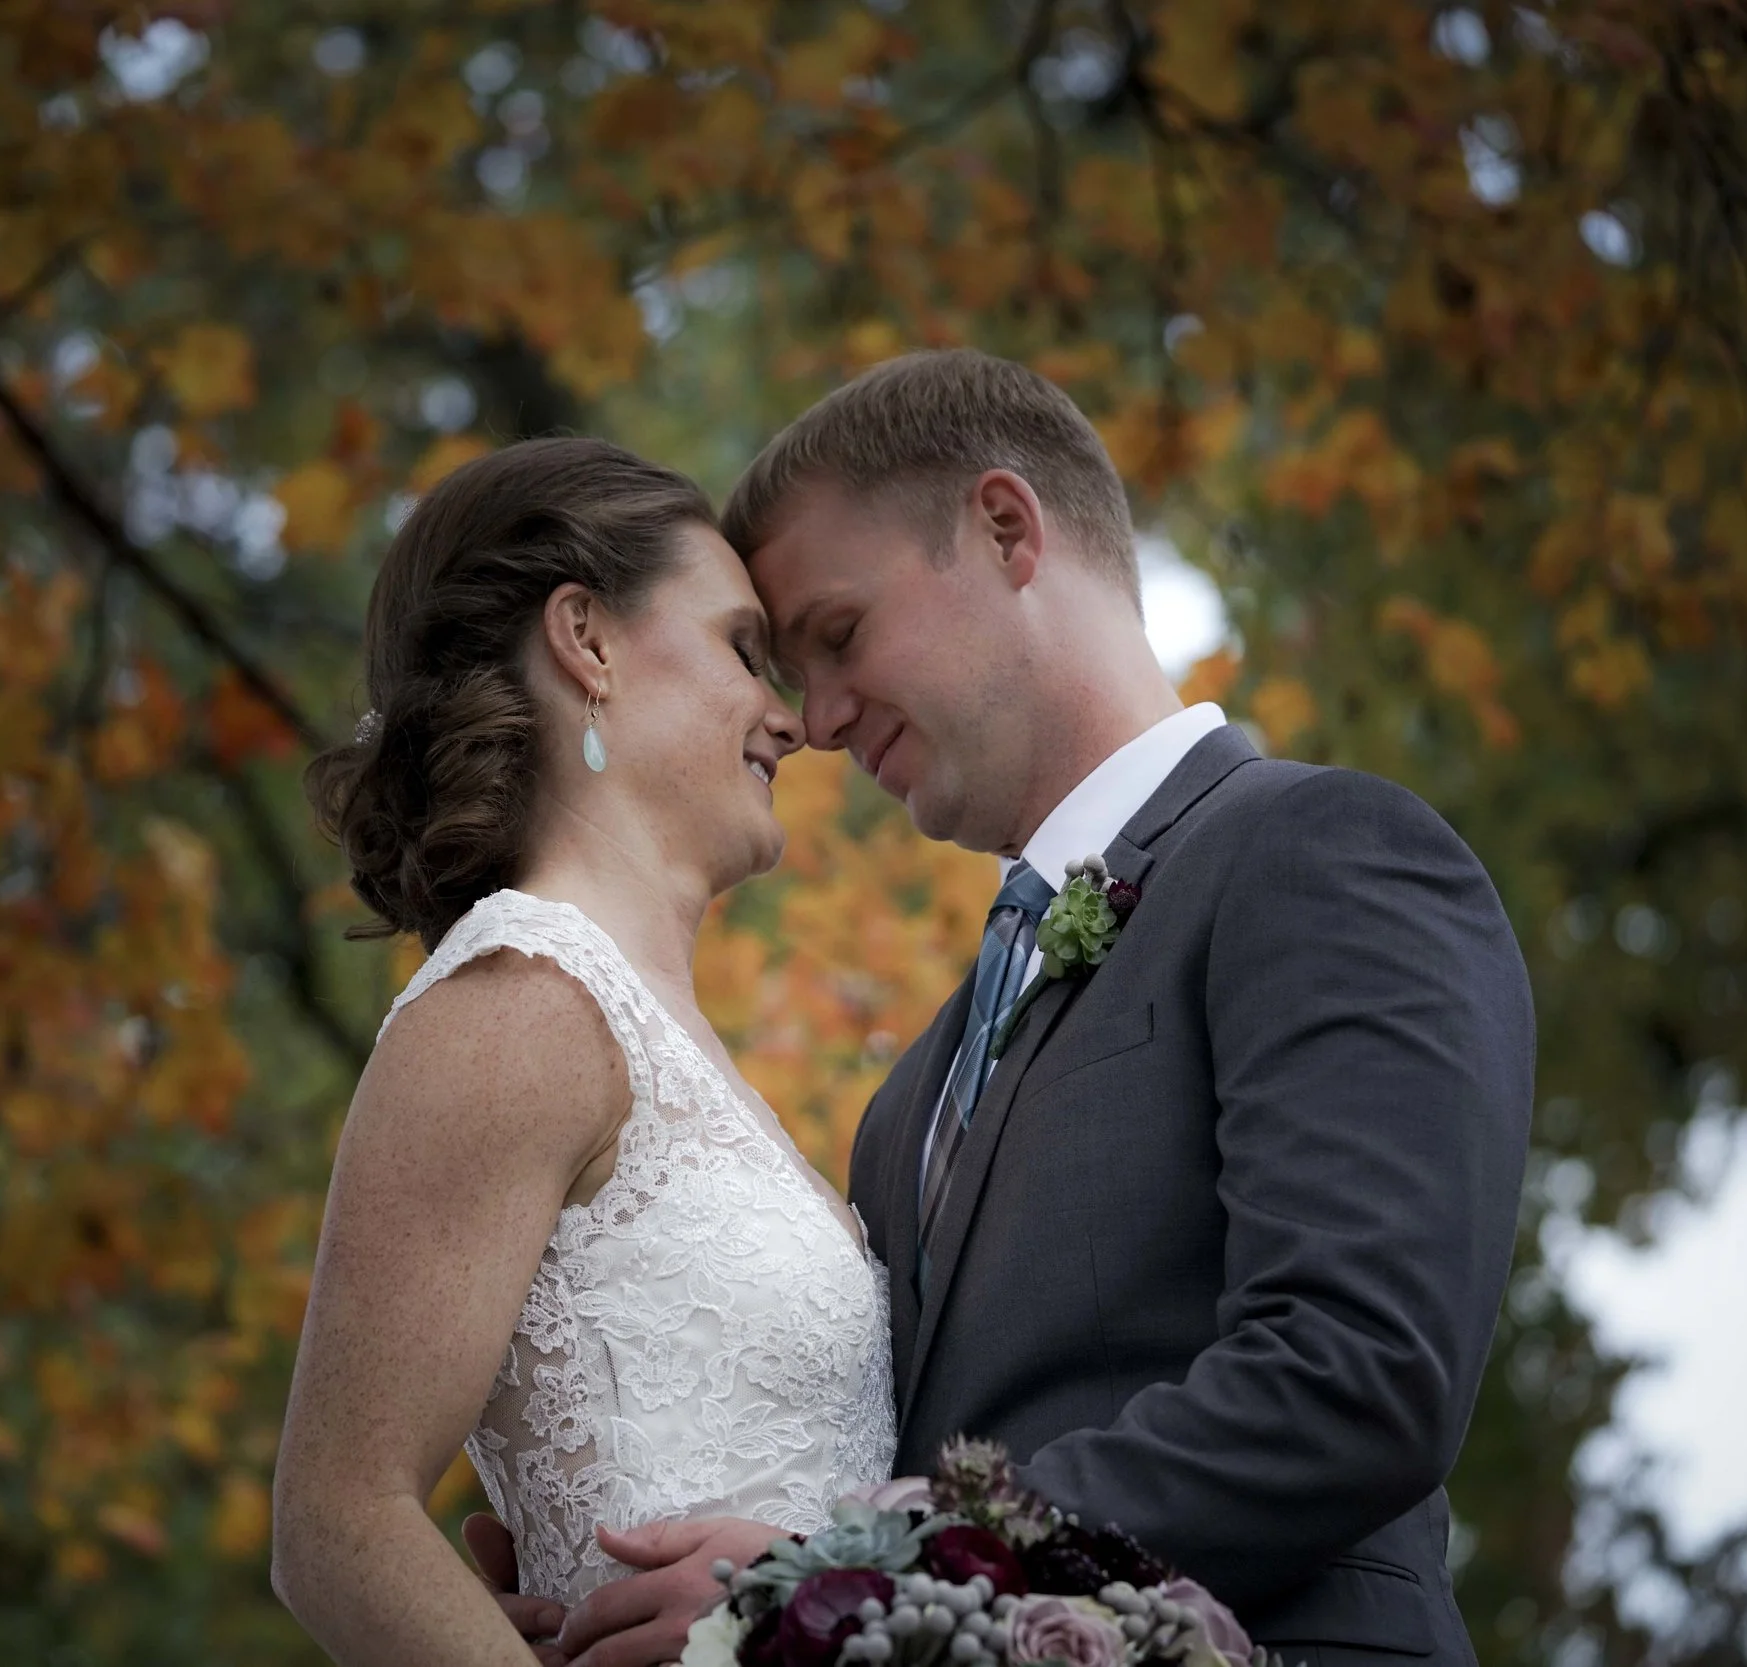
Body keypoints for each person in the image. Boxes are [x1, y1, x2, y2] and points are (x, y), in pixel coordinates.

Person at [501, 351, 1535, 1667]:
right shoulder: (906, 1104)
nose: (819, 721)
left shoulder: (1316, 851)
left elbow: (1358, 1370)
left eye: (837, 635)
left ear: (1004, 528)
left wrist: (878, 1565)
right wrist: (592, 1535)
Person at [269, 438, 896, 1667]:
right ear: (586, 639)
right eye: (742, 650)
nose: (790, 717)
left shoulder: (657, 1033)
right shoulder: (520, 1005)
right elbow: (339, 1522)